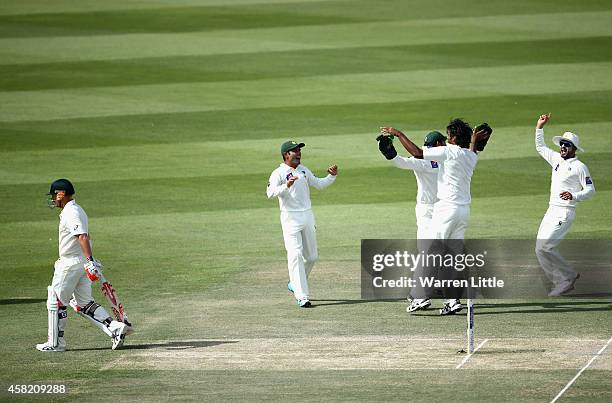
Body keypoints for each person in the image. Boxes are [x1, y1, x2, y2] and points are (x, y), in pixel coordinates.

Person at [381, 119, 490, 314]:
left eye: (449, 135)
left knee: (430, 253)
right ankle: (452, 301)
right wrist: (473, 140)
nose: (447, 138)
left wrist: (398, 134)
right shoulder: (470, 156)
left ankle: (421, 297)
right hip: (463, 212)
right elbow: (471, 149)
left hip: (446, 209)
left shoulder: (448, 151)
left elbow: (417, 153)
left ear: (454, 138)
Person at [36, 179, 129, 352]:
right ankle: (115, 328)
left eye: (55, 195)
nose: (53, 199)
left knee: (56, 301)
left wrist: (90, 261)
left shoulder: (72, 212)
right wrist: (88, 262)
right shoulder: (75, 210)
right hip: (80, 264)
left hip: (71, 264)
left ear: (61, 194)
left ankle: (55, 343)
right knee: (84, 303)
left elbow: (83, 237)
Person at [376, 130, 446, 312]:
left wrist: (389, 152)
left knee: (426, 250)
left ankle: (421, 295)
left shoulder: (425, 160)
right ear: (439, 144)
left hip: (428, 210)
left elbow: (402, 161)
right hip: (445, 208)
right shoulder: (448, 158)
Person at [266, 141, 338, 307]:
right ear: (286, 155)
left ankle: (295, 283)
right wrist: (286, 186)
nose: (299, 153)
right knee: (296, 254)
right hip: (290, 218)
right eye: (295, 151)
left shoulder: (303, 170)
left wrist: (331, 176)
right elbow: (270, 193)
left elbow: (319, 184)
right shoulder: (278, 173)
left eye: (299, 150)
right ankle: (302, 295)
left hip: (307, 216)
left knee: (312, 257)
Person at [534, 113, 595, 296]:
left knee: (546, 246)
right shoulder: (556, 160)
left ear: (574, 149)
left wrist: (574, 196)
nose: (562, 147)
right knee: (539, 248)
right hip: (551, 209)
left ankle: (567, 278)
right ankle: (563, 280)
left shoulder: (579, 167)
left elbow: (591, 190)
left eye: (567, 145)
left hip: (564, 212)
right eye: (562, 144)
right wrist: (539, 127)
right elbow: (540, 147)